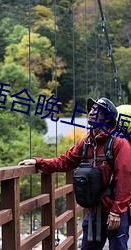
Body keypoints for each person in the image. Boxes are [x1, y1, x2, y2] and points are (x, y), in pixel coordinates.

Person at [18, 97, 131, 250]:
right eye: (91, 109)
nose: (91, 112)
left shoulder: (119, 143)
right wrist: (39, 162)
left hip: (114, 211)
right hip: (94, 211)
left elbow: (125, 178)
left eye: (96, 110)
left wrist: (117, 212)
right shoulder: (86, 143)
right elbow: (65, 161)